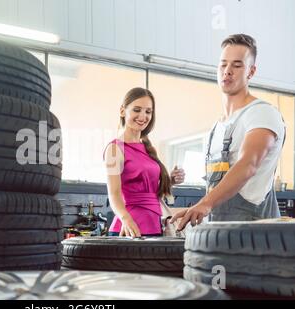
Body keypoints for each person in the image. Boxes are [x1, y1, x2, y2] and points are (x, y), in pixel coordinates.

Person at [171, 34, 286, 231]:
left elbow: (248, 165)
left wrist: (205, 204)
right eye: (223, 64)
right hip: (221, 232)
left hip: (256, 238)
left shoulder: (262, 114)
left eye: (237, 65)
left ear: (251, 71)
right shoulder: (215, 129)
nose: (227, 71)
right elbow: (216, 189)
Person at [104, 87, 185, 238]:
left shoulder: (147, 148)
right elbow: (114, 195)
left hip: (155, 225)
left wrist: (170, 181)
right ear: (122, 111)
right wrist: (126, 219)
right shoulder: (114, 149)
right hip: (128, 229)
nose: (143, 116)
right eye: (136, 110)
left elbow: (150, 191)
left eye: (148, 111)